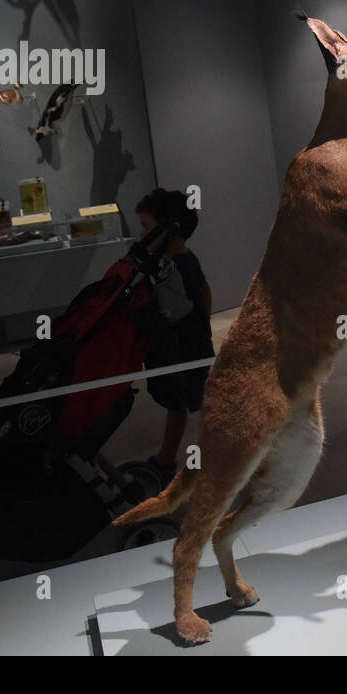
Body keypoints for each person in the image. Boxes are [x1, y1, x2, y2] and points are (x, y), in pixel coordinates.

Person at [135, 190, 214, 483]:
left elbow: (197, 295)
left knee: (180, 401)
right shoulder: (183, 259)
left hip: (182, 348)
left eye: (146, 227)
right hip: (187, 344)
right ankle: (167, 458)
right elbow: (205, 292)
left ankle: (168, 459)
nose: (141, 234)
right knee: (180, 403)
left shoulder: (172, 267)